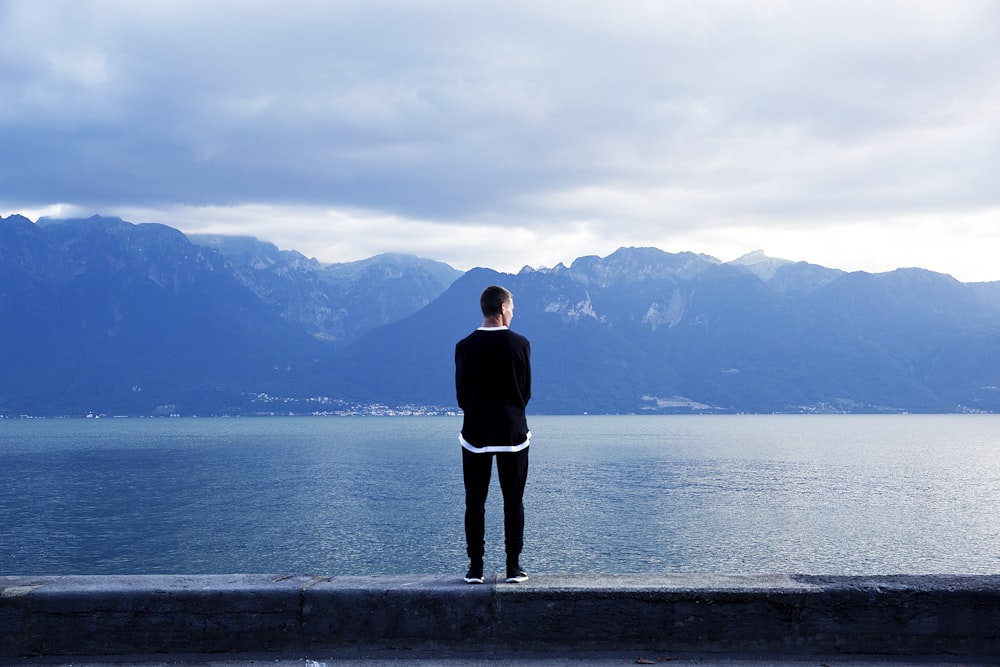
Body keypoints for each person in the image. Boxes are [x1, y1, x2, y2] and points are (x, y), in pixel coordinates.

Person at [455, 285, 532, 584]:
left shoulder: (464, 346)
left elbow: (461, 394)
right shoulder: (520, 344)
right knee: (513, 500)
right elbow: (525, 392)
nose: (513, 312)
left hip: (475, 433)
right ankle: (514, 567)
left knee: (475, 501)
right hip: (513, 434)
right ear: (501, 309)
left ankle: (476, 568)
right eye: (511, 307)